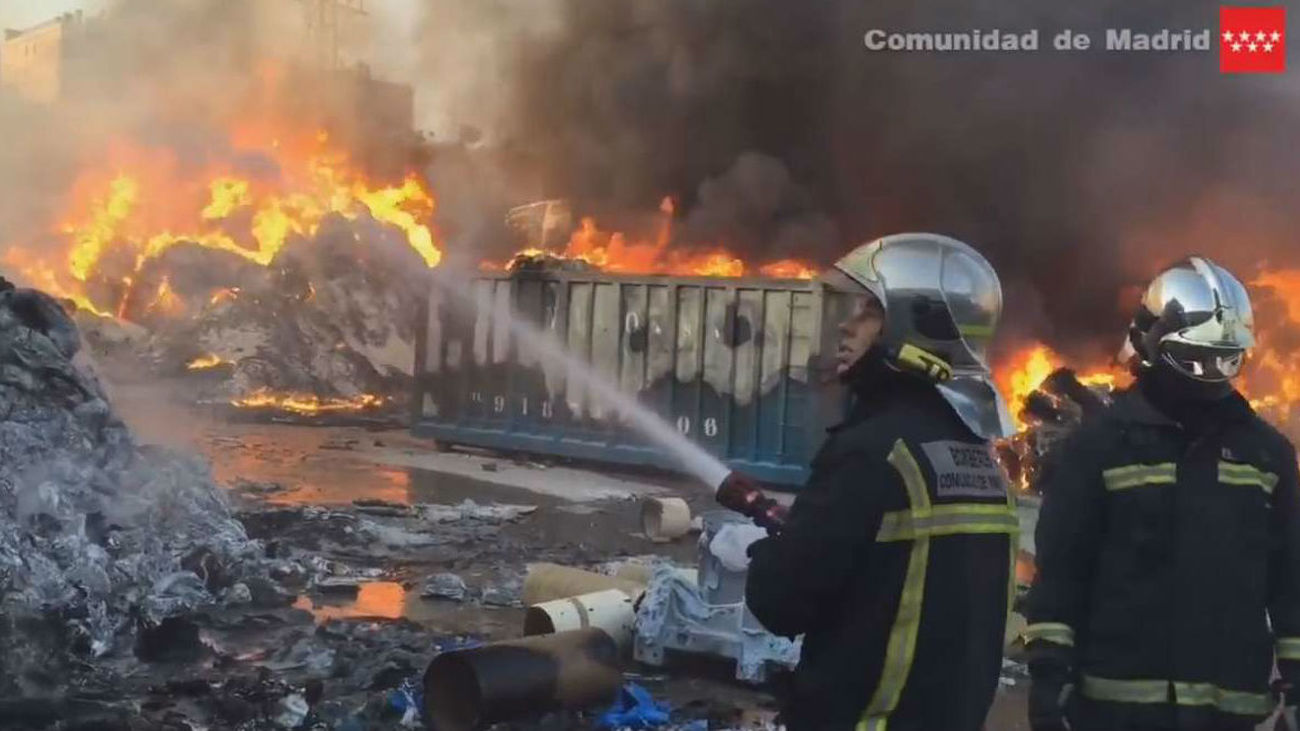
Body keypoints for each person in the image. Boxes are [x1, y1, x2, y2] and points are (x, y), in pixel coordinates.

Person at [720, 233, 1019, 731]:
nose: (845, 325)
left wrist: (763, 553)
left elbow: (781, 603)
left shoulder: (873, 452)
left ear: (913, 325)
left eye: (869, 312)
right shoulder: (982, 460)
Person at [1025, 256, 1300, 731]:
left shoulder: (1266, 455)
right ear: (1154, 345)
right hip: (1115, 712)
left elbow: (1291, 579)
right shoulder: (1101, 447)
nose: (1214, 374)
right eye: (1198, 359)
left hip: (1231, 715)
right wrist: (1051, 680)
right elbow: (1063, 573)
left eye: (1227, 359)